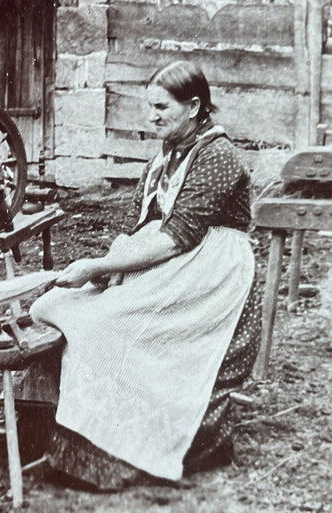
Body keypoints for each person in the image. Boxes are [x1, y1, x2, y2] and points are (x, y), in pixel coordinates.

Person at [15, 60, 261, 489]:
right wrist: (107, 272)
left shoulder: (218, 156)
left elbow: (177, 237)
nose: (152, 116)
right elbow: (141, 228)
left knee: (103, 327)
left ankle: (110, 455)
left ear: (194, 106)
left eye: (162, 107)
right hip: (163, 263)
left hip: (209, 274)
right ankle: (43, 430)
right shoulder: (164, 159)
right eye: (149, 106)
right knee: (54, 305)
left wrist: (99, 266)